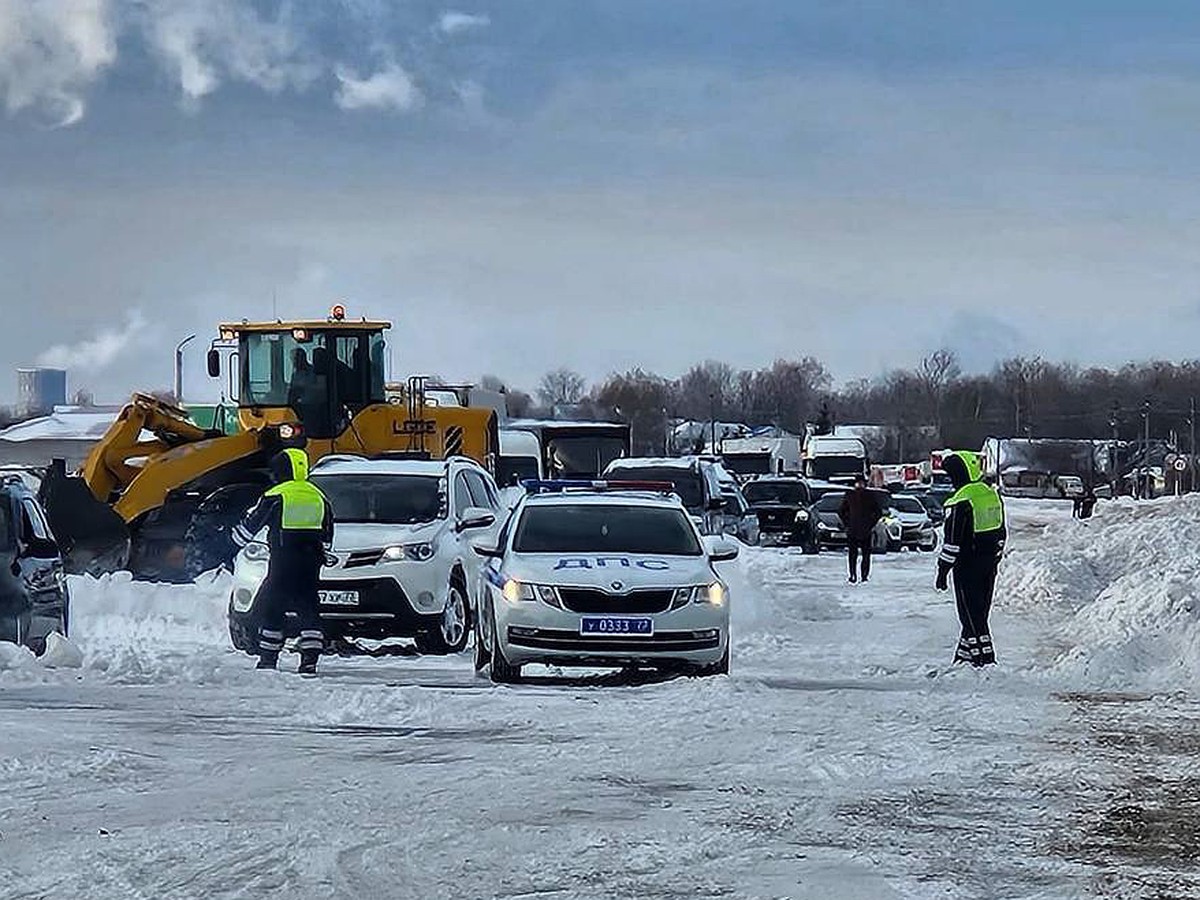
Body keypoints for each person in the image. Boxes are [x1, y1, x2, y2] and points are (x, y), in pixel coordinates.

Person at [231, 448, 333, 675]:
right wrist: (321, 553)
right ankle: (309, 660)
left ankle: (268, 659)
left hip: (283, 561)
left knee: (271, 606)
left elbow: (250, 527)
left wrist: (230, 542)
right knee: (308, 608)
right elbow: (328, 532)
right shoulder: (318, 495)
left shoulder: (276, 495)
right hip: (310, 562)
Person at [936, 450, 1006, 667]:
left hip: (966, 566)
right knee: (980, 611)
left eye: (951, 476)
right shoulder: (990, 495)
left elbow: (953, 543)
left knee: (970, 615)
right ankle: (963, 658)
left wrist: (942, 571)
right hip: (988, 564)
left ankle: (984, 659)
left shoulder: (961, 501)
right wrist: (995, 556)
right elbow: (1001, 532)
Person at [839, 476, 882, 584]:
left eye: (861, 483)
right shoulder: (850, 495)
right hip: (853, 530)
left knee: (866, 555)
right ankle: (852, 575)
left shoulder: (869, 496)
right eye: (858, 483)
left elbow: (878, 512)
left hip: (865, 530)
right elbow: (841, 511)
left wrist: (871, 523)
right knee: (852, 555)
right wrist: (847, 523)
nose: (859, 485)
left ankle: (864, 576)